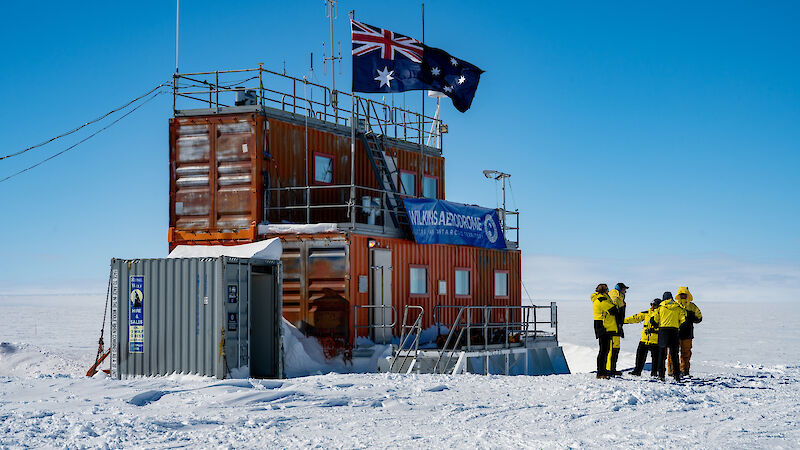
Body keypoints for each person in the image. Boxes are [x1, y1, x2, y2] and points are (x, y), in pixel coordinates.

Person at [650, 291, 686, 381]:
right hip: (674, 331)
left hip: (663, 332)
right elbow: (683, 319)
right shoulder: (678, 307)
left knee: (661, 355)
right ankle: (676, 375)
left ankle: (661, 375)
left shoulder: (660, 307)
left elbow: (654, 319)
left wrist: (655, 323)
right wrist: (677, 325)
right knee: (674, 355)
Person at [623, 298, 661, 377]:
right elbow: (635, 318)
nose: (652, 306)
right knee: (640, 356)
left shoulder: (662, 315)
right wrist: (623, 321)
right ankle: (637, 371)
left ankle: (654, 373)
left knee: (656, 358)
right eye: (652, 304)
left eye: (655, 305)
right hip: (644, 339)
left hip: (655, 340)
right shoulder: (646, 313)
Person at [591, 283, 618, 379]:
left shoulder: (601, 298)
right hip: (603, 326)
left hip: (602, 325)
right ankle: (600, 372)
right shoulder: (602, 300)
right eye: (607, 289)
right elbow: (613, 310)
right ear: (604, 290)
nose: (608, 290)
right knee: (603, 350)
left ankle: (602, 370)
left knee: (605, 350)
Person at [674, 286, 702, 377]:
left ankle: (685, 371)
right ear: (678, 295)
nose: (682, 296)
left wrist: (691, 317)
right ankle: (672, 372)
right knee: (673, 353)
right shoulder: (674, 305)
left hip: (687, 334)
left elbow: (699, 318)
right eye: (681, 294)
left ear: (687, 295)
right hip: (675, 333)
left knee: (686, 354)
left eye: (684, 295)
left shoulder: (692, 306)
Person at [606, 282, 628, 376]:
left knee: (616, 348)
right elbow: (614, 312)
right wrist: (618, 325)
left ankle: (612, 368)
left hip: (616, 326)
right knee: (612, 348)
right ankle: (609, 369)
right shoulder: (615, 296)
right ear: (620, 289)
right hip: (612, 327)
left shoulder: (619, 297)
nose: (625, 292)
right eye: (624, 290)